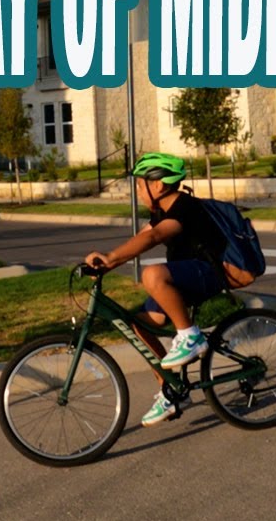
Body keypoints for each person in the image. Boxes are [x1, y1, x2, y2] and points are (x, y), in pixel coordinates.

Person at [84, 152, 227, 427]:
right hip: (185, 277)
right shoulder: (161, 211)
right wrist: (107, 263)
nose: (138, 192)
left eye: (140, 185)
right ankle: (170, 390)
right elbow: (140, 239)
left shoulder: (185, 206)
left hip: (207, 273)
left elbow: (155, 236)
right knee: (138, 326)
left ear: (158, 185)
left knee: (151, 274)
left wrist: (111, 258)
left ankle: (191, 336)